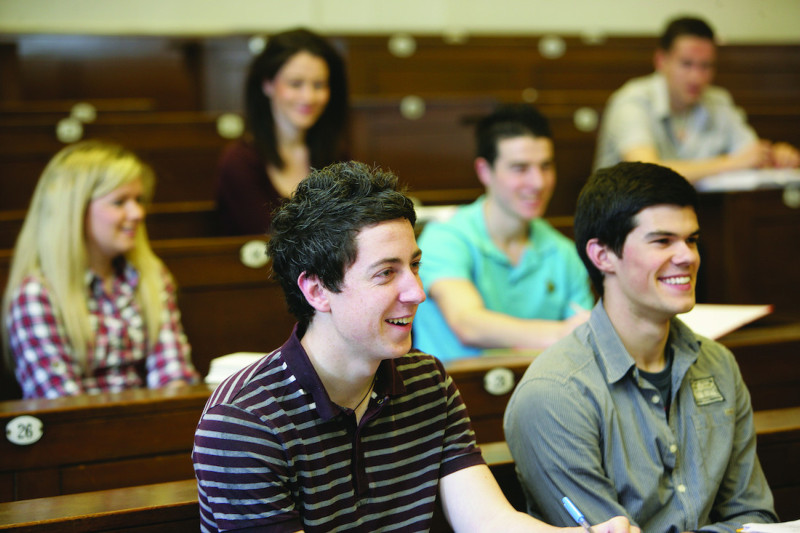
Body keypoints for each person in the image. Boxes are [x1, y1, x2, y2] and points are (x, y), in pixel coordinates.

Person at [192, 161, 636, 533]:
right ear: (317, 291)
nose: (417, 291)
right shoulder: (243, 422)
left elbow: (489, 520)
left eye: (414, 266)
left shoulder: (426, 381)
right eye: (386, 273)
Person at [504, 161, 777, 531]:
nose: (688, 256)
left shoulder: (718, 363)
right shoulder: (554, 393)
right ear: (602, 256)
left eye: (692, 239)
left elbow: (755, 517)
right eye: (662, 241)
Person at [2, 140, 199, 399]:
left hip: (154, 430)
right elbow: (61, 404)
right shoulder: (37, 294)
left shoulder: (150, 275)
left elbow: (174, 378)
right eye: (120, 202)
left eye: (138, 200)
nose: (138, 212)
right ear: (74, 211)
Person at [413, 104, 593, 362]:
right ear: (484, 171)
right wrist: (563, 333)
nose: (538, 183)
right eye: (520, 168)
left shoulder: (564, 252)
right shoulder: (446, 237)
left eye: (545, 166)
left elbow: (586, 345)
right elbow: (468, 324)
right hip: (449, 394)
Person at [593, 16, 800, 183]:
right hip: (622, 226)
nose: (697, 77)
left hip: (691, 219)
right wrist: (732, 163)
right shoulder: (632, 100)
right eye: (687, 64)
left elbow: (750, 154)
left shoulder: (717, 101)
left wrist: (774, 157)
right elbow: (646, 172)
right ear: (661, 61)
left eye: (706, 66)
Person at [215, 27, 349, 234]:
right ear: (267, 84)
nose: (309, 97)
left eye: (319, 85)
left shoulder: (337, 155)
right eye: (296, 84)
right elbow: (273, 241)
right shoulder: (239, 161)